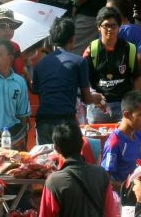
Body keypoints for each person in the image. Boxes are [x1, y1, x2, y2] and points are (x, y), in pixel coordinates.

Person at [33, 18, 105, 147]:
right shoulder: (79, 62)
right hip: (65, 123)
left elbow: (37, 91)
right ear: (72, 39)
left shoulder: (40, 64)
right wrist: (98, 98)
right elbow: (87, 98)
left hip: (43, 122)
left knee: (45, 163)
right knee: (68, 161)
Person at [39, 119, 119, 217]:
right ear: (82, 144)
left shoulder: (53, 182)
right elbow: (111, 212)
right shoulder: (101, 174)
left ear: (56, 149)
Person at [100, 90, 141, 189]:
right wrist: (128, 189)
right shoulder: (114, 143)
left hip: (139, 193)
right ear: (127, 115)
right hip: (123, 199)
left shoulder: (139, 134)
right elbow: (106, 179)